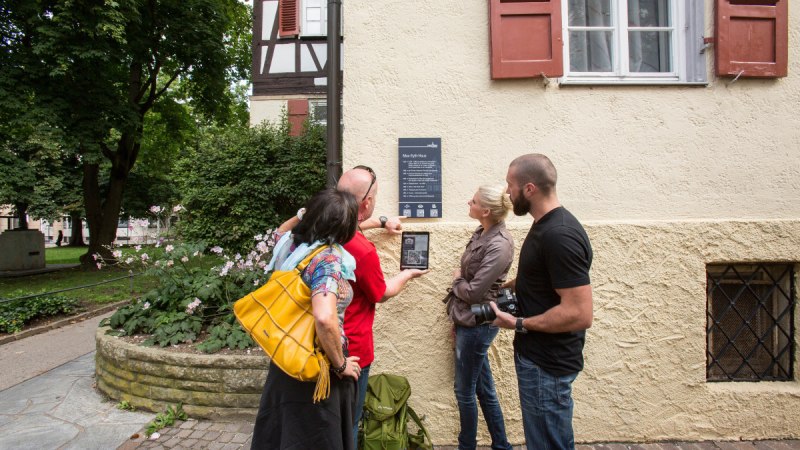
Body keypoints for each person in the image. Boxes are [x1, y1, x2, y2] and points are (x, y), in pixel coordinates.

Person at [490, 154, 593, 450]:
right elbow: (542, 280)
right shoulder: (546, 226)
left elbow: (579, 313)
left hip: (547, 366)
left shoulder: (559, 235)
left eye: (511, 186)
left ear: (530, 189)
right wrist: (503, 287)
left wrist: (518, 323)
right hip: (538, 361)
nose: (507, 193)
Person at [251, 188, 362, 450]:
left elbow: (280, 230)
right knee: (314, 437)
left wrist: (304, 214)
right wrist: (340, 364)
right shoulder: (328, 260)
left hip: (286, 358)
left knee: (285, 433)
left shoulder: (292, 246)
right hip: (316, 367)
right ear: (346, 228)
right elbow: (324, 318)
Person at [336, 165, 429, 448]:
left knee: (330, 419)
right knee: (350, 421)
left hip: (323, 343)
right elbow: (381, 292)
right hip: (353, 349)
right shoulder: (363, 252)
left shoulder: (328, 228)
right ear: (366, 203)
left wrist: (381, 221)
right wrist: (408, 273)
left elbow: (353, 225)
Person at [446, 184, 514, 450]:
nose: (468, 202)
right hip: (467, 320)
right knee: (484, 390)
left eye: (473, 201)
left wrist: (456, 282)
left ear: (485, 210)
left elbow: (474, 292)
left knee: (464, 392)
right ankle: (502, 445)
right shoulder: (482, 231)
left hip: (479, 323)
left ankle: (467, 446)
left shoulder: (500, 244)